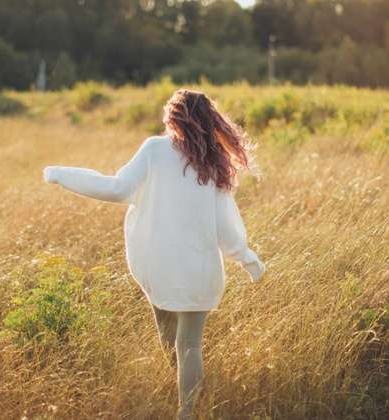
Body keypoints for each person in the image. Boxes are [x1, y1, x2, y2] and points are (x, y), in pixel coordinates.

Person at [43, 88, 266, 419]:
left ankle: (186, 395)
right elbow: (226, 227)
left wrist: (61, 174)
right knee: (189, 346)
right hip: (198, 271)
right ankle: (187, 409)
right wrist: (248, 259)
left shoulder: (154, 149)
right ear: (208, 120)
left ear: (173, 118)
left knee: (169, 337)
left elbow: (115, 187)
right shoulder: (212, 161)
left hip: (158, 265)